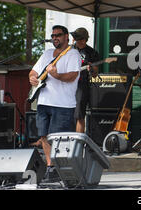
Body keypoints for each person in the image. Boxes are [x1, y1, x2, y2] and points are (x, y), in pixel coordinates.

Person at [29, 25, 81, 182]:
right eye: (53, 36)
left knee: (57, 138)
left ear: (66, 37)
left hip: (63, 104)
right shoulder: (46, 54)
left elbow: (72, 76)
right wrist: (32, 78)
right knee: (44, 135)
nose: (55, 38)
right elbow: (34, 71)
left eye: (58, 35)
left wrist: (56, 74)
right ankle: (51, 167)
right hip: (44, 101)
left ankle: (62, 169)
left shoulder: (73, 54)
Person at [70, 27, 101, 133]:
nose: (76, 41)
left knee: (79, 115)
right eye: (75, 38)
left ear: (84, 39)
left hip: (81, 86)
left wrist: (92, 68)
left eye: (79, 39)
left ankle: (78, 143)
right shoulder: (68, 50)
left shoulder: (92, 52)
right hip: (66, 85)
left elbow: (95, 75)